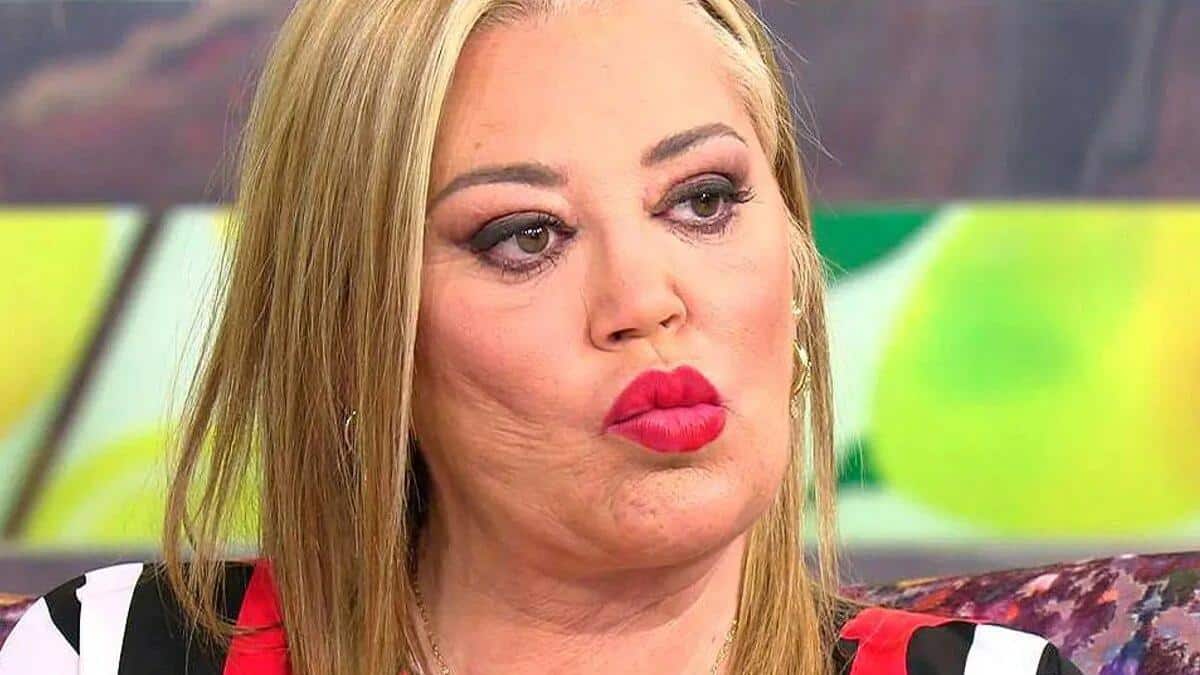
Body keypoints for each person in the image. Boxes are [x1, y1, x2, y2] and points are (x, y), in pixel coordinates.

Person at [0, 1, 1085, 673]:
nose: (644, 299)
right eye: (525, 235)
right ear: (359, 330)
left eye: (703, 200)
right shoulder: (109, 654)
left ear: (796, 264)